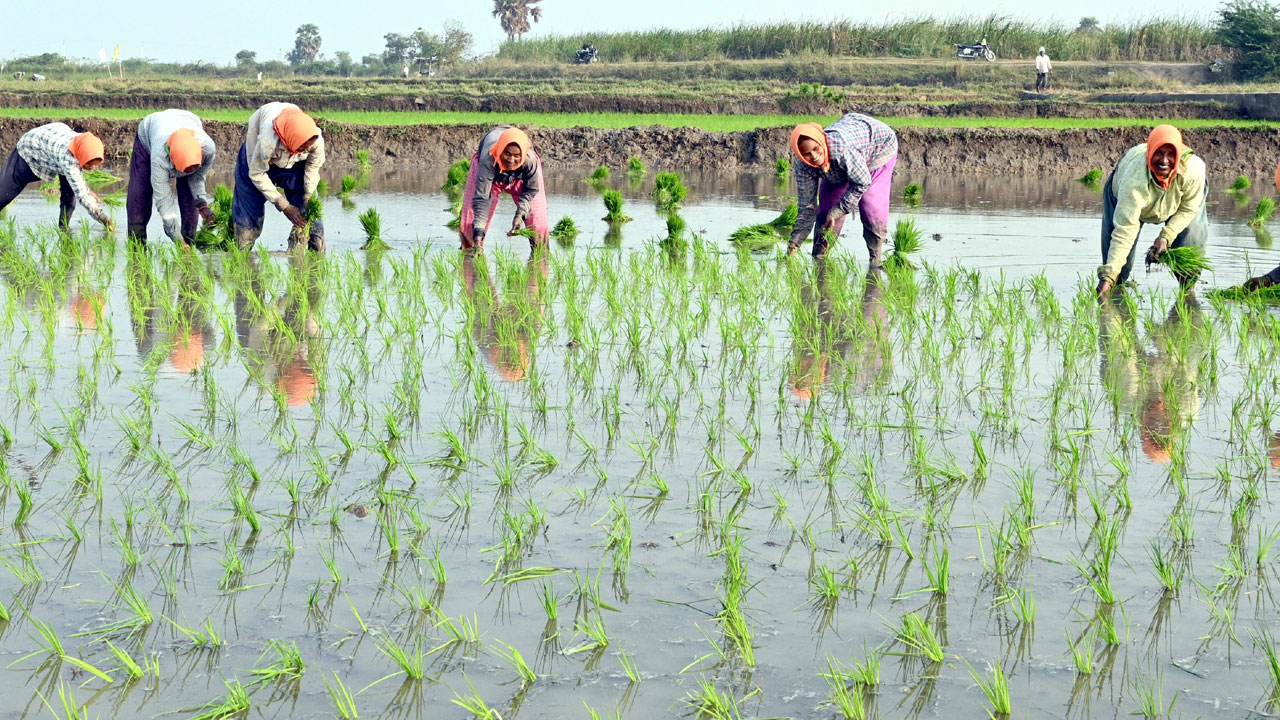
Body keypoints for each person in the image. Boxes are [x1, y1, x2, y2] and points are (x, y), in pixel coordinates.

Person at [1096, 124, 1207, 299]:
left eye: (1171, 154)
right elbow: (1125, 230)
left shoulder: (1193, 170)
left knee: (1191, 242)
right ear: (1149, 153)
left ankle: (1188, 293)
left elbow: (1188, 208)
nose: (1164, 160)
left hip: (1177, 200)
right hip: (1123, 194)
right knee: (1117, 270)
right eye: (1158, 153)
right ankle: (1115, 289)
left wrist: (1166, 236)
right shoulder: (1134, 180)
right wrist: (1108, 277)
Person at [787, 113, 898, 263]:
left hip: (878, 147)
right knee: (827, 209)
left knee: (870, 204)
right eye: (807, 154)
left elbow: (862, 182)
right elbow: (807, 207)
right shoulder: (804, 167)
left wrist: (838, 211)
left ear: (821, 142)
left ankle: (875, 259)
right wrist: (794, 244)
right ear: (800, 155)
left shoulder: (842, 150)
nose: (814, 156)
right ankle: (819, 257)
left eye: (816, 149)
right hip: (841, 160)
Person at [232, 102, 325, 252]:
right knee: (247, 222)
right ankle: (243, 254)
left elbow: (313, 167)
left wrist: (307, 196)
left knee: (311, 216)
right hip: (255, 162)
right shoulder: (267, 141)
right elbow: (256, 173)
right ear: (292, 141)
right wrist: (284, 205)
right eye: (303, 147)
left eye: (308, 148)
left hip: (294, 162)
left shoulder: (315, 140)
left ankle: (316, 251)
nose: (306, 149)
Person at [126, 109, 217, 248]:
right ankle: (136, 247)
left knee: (190, 200)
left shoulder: (208, 149)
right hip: (150, 134)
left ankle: (189, 242)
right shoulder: (159, 158)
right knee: (140, 195)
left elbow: (197, 177)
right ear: (173, 162)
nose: (190, 172)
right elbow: (164, 202)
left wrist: (202, 205)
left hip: (189, 120)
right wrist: (176, 239)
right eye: (186, 170)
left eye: (193, 168)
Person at [0, 122, 113, 232]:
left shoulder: (84, 143)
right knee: (4, 194)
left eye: (96, 164)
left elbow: (77, 182)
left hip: (54, 139)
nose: (92, 168)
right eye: (89, 164)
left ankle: (63, 228)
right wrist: (104, 219)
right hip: (30, 149)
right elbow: (82, 196)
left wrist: (86, 190)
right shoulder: (68, 160)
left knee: (69, 195)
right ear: (81, 156)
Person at [459, 126, 549, 250]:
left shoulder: (529, 161)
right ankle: (471, 254)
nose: (511, 160)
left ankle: (539, 258)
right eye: (507, 154)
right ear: (501, 151)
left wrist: (520, 215)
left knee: (538, 225)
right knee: (471, 223)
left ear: (522, 154)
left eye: (516, 155)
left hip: (520, 176)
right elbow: (482, 197)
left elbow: (530, 191)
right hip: (492, 171)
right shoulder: (488, 159)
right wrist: (479, 231)